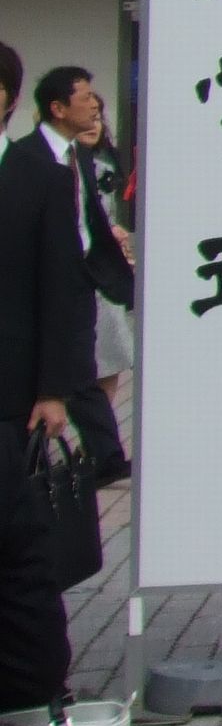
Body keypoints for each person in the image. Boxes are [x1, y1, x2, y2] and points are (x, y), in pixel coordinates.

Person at [28, 67, 129, 481]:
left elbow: (91, 221)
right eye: (85, 97)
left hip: (81, 279)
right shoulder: (26, 157)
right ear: (58, 108)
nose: (93, 105)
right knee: (43, 366)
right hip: (38, 282)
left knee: (85, 368)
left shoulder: (81, 156)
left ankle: (106, 458)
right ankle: (31, 459)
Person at [0, 43, 90, 478]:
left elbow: (59, 290)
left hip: (9, 390)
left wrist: (52, 391)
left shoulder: (42, 180)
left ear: (12, 100)